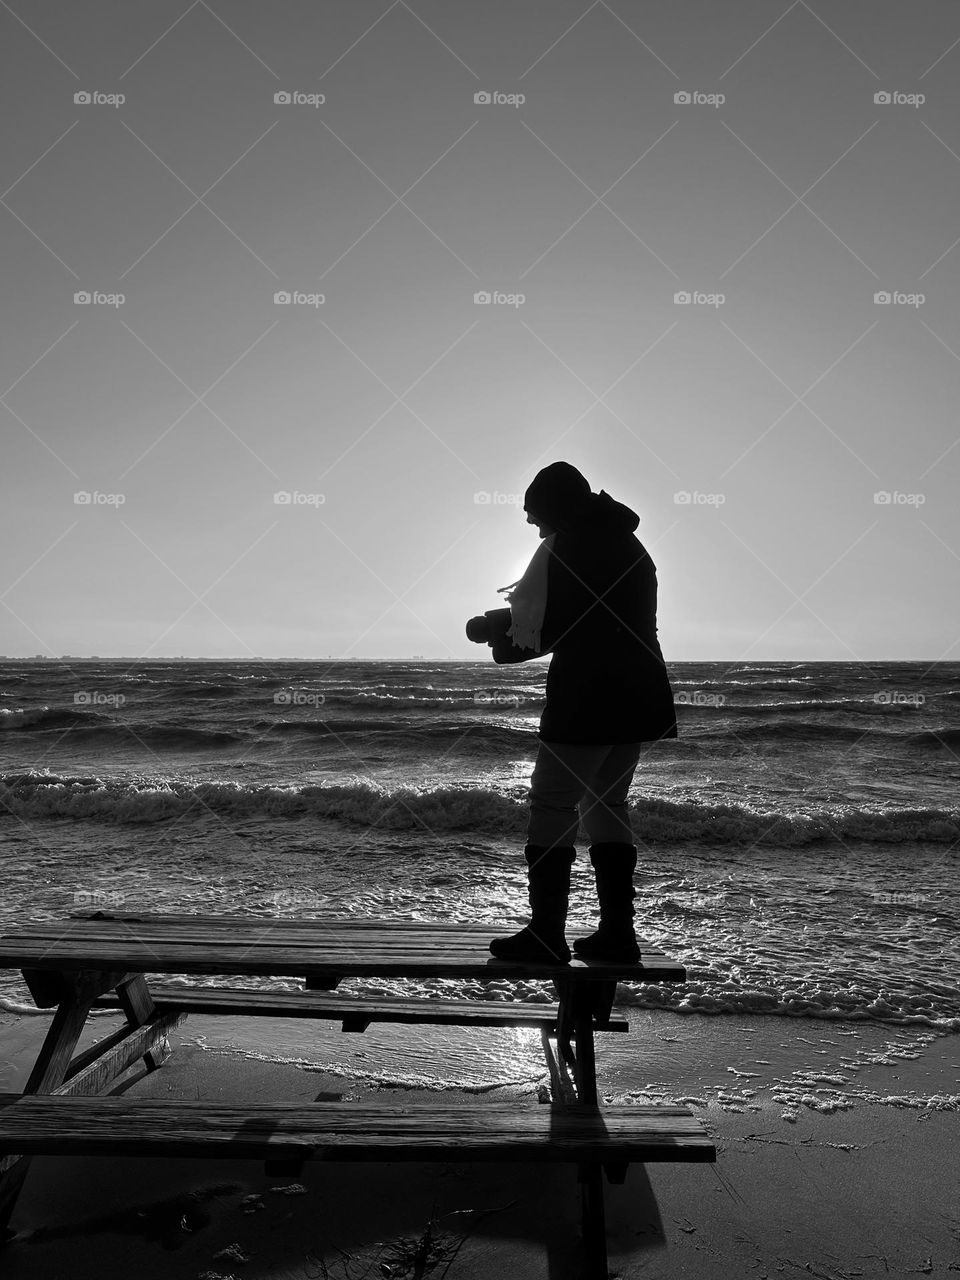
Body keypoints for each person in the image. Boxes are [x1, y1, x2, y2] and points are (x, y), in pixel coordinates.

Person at [465, 461, 677, 964]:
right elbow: (579, 611)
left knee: (552, 802)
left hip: (590, 692)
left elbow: (553, 622)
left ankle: (545, 935)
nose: (536, 528)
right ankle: (618, 937)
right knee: (606, 805)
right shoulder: (626, 543)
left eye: (536, 517)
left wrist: (492, 627)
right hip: (637, 689)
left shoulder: (572, 548)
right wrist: (509, 621)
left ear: (556, 509)